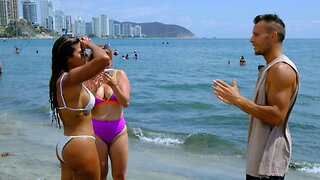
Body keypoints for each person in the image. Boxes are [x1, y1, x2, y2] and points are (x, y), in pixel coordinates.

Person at [212, 14, 300, 180]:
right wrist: (237, 100)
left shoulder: (281, 70)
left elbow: (277, 116)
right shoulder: (271, 68)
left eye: (256, 35)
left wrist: (239, 100)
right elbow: (263, 112)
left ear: (273, 36)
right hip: (260, 161)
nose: (251, 40)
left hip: (268, 164)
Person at [49, 35, 110, 179]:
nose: (85, 56)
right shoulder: (71, 77)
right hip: (81, 144)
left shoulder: (61, 78)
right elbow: (104, 59)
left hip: (66, 143)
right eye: (81, 53)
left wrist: (93, 91)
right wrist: (90, 44)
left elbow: (79, 107)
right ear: (68, 58)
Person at [86, 44, 130, 180]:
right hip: (97, 131)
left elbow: (125, 102)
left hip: (118, 131)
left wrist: (113, 85)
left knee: (119, 175)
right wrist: (93, 89)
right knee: (101, 173)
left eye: (108, 59)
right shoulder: (88, 79)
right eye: (102, 59)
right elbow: (86, 109)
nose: (105, 62)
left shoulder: (119, 74)